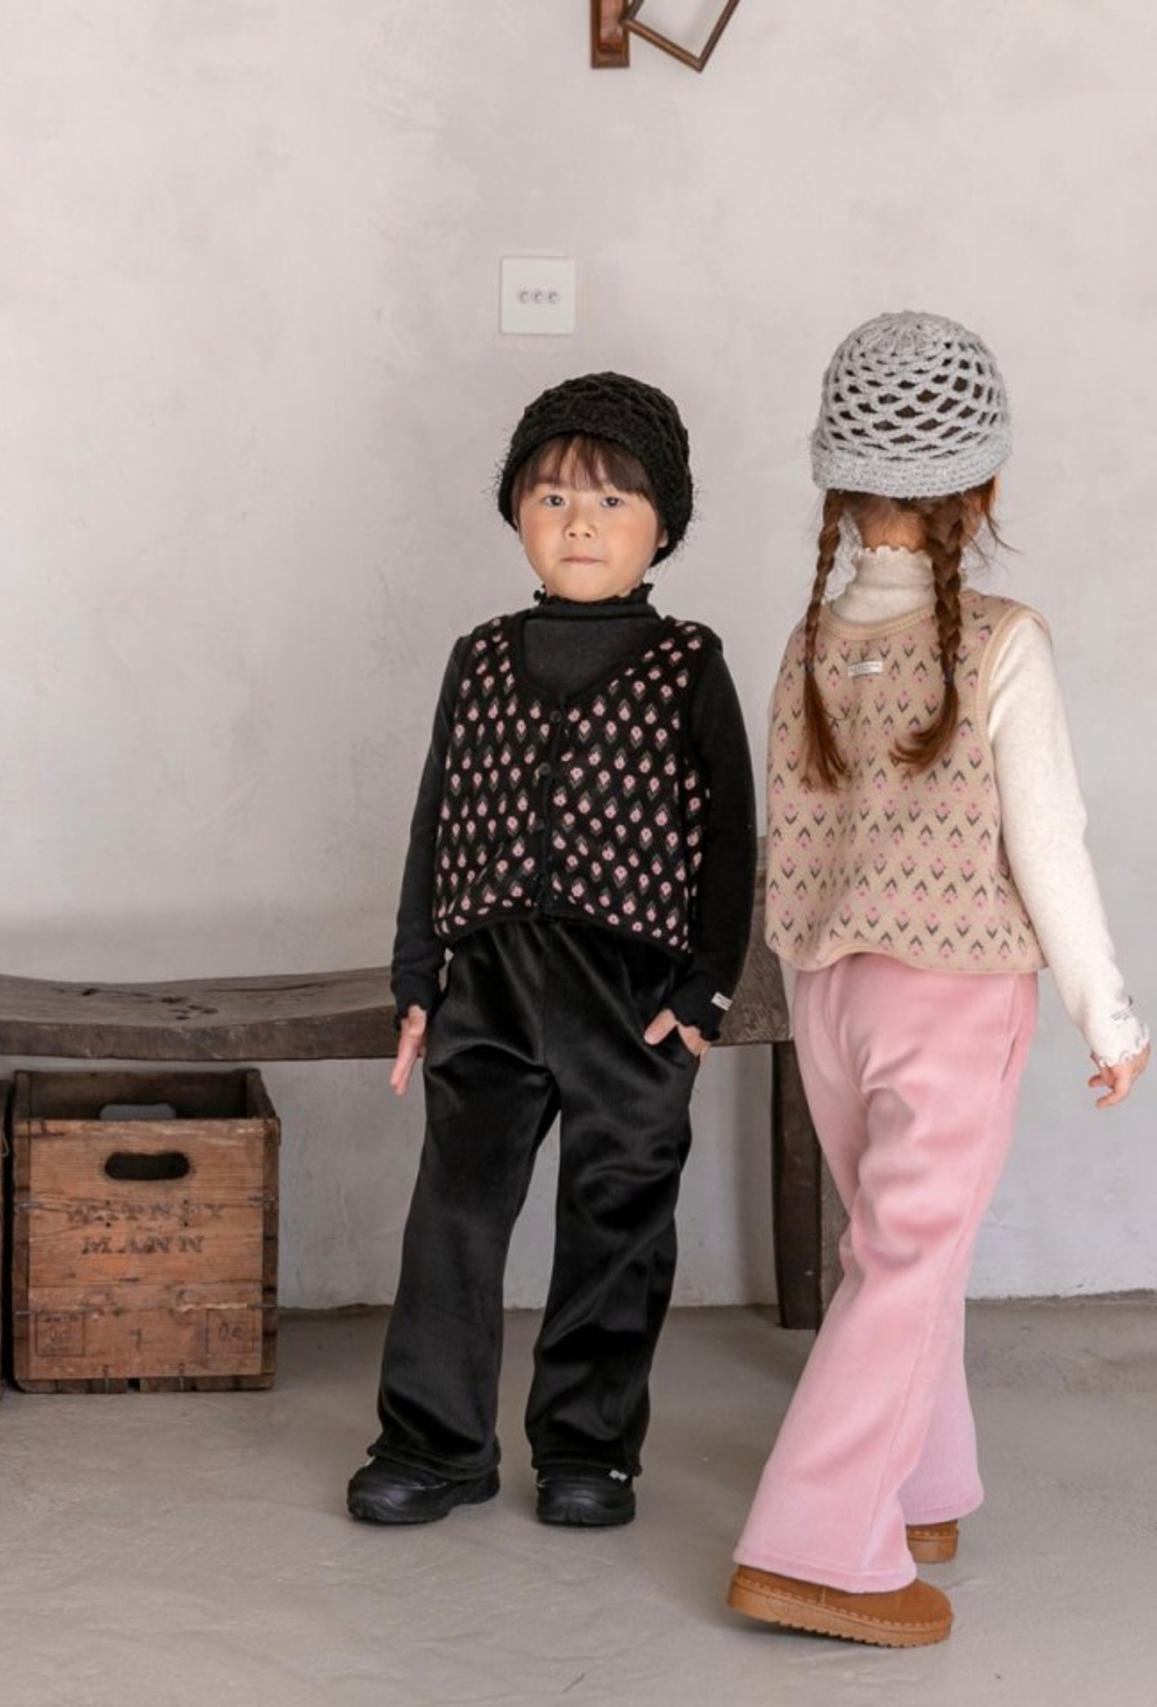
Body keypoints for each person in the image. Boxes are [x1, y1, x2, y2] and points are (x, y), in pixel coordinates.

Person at [727, 311, 1150, 1647]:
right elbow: (1048, 841)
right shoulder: (1002, 640)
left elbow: (786, 833)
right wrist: (1108, 1011)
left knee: (899, 1250)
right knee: (907, 1264)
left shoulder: (806, 641)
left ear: (838, 487)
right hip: (952, 995)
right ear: (986, 485)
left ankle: (918, 1483)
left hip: (826, 996)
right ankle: (807, 1548)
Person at [347, 372, 757, 1528]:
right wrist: (417, 979)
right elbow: (435, 821)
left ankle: (587, 1449)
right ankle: (433, 1446)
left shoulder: (686, 662)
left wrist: (706, 991)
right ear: (516, 517)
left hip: (630, 992)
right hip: (484, 983)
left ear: (662, 526)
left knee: (614, 1224)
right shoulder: (479, 657)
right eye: (552, 497)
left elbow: (731, 833)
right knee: (454, 1216)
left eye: (613, 500)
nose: (580, 522)